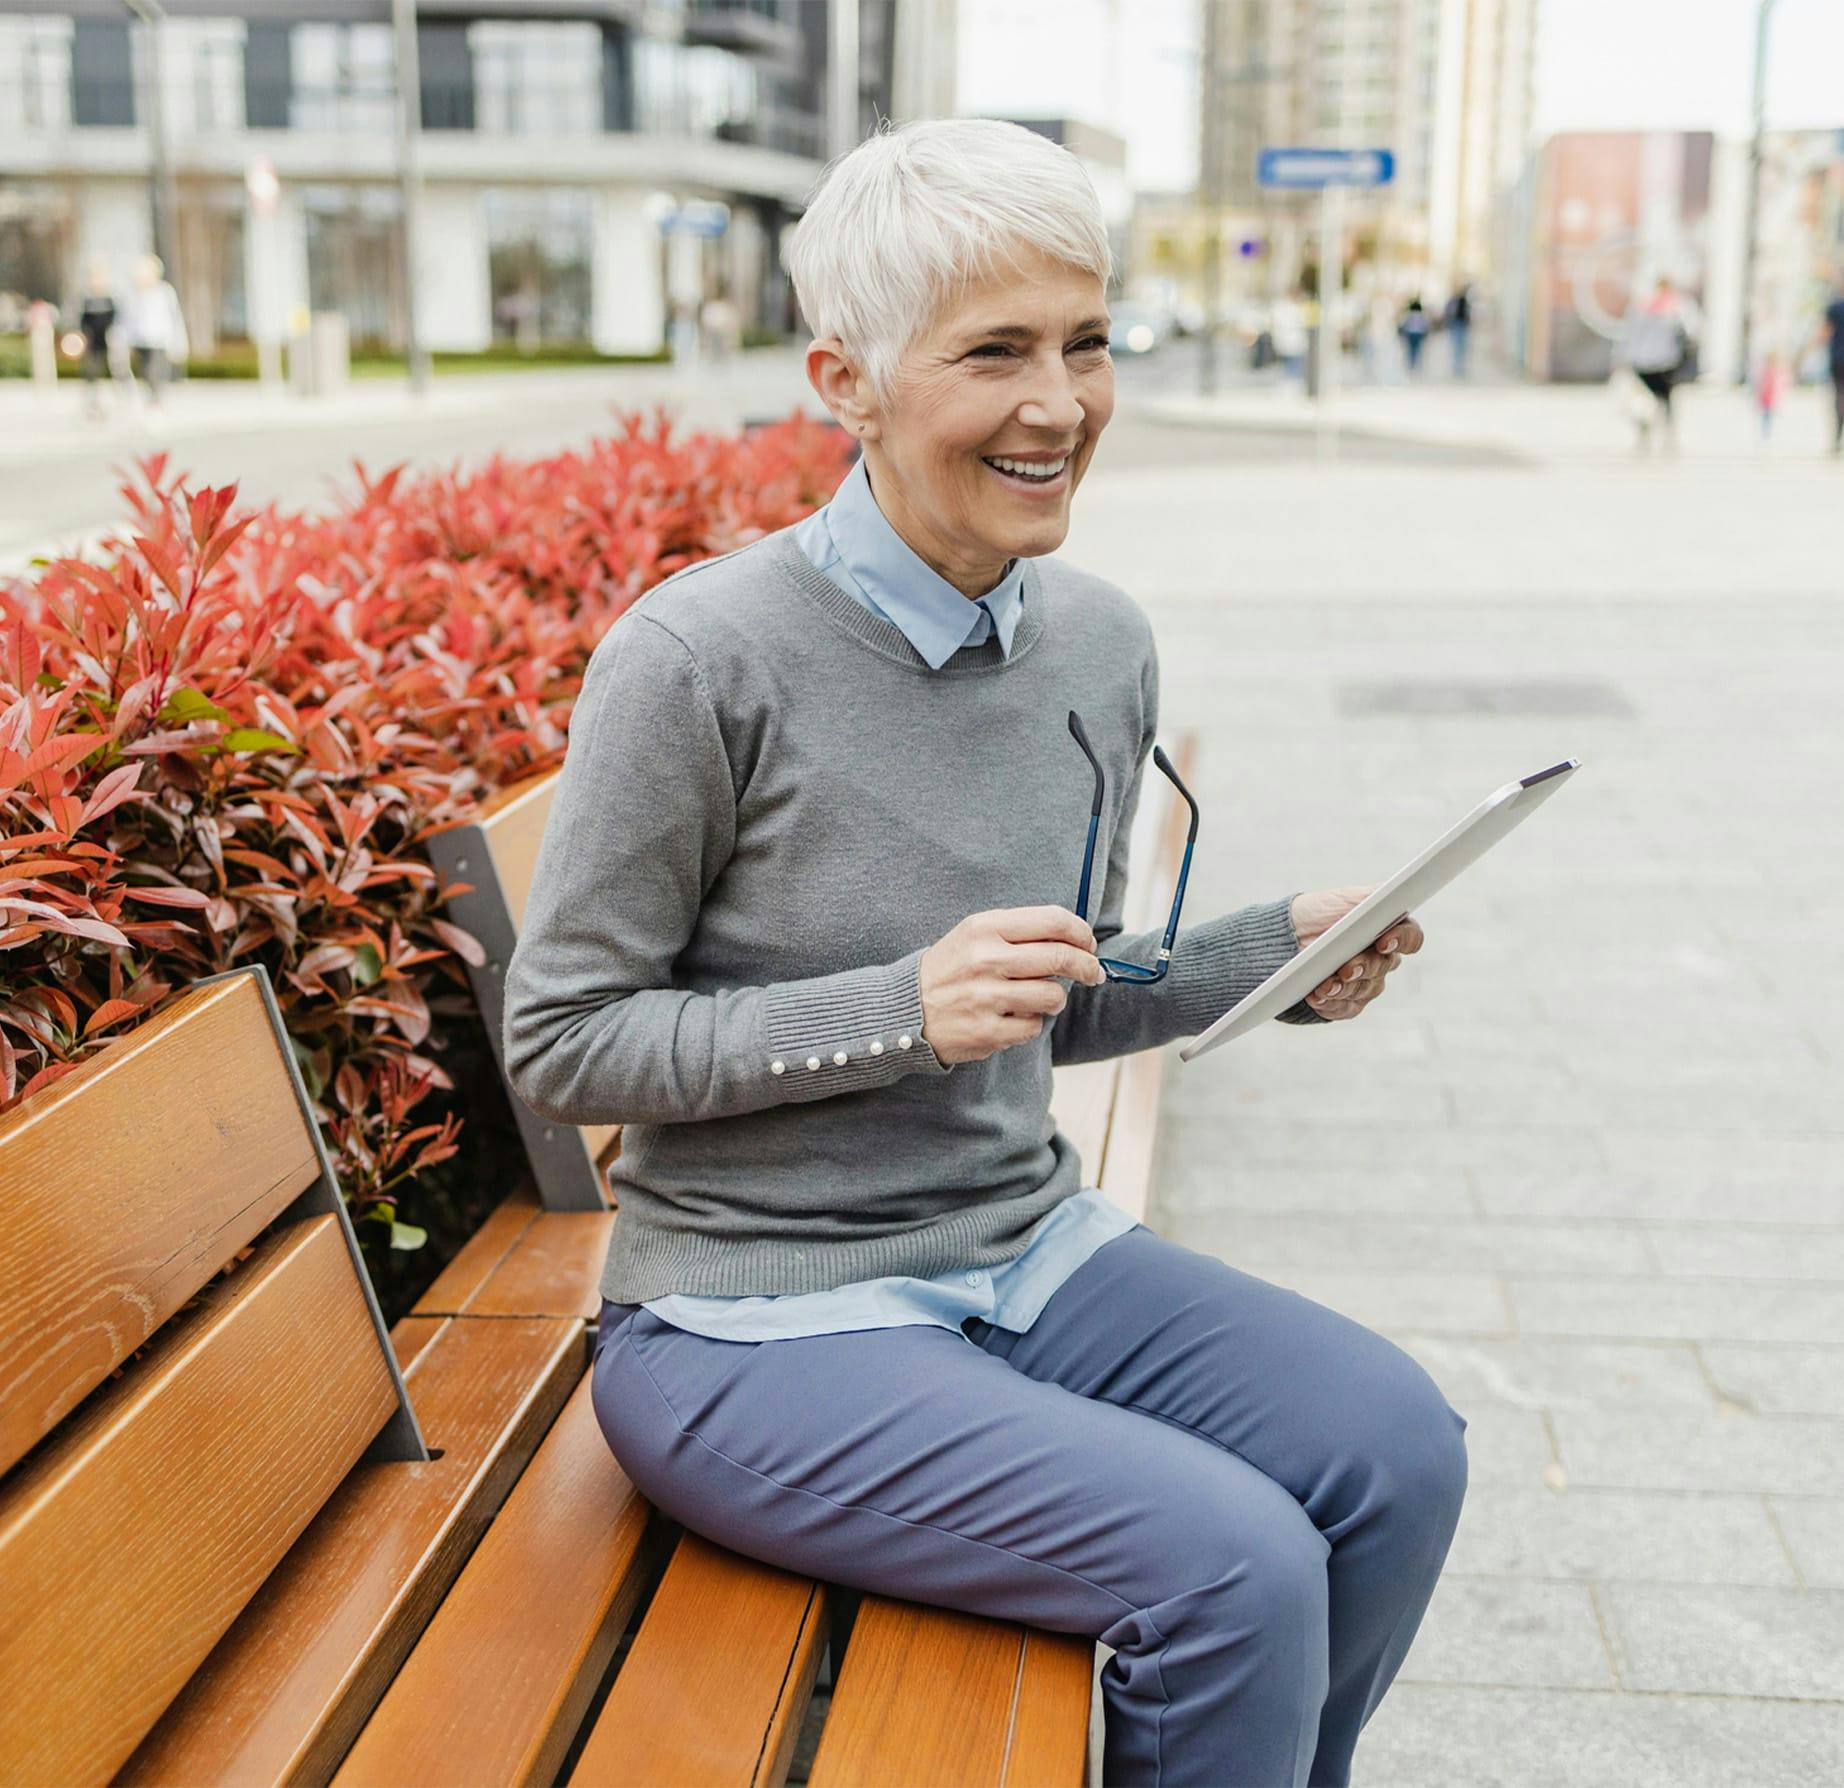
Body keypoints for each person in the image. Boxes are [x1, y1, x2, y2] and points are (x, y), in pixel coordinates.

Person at [503, 118, 1465, 1788]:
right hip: (745, 1326)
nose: (1058, 402)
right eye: (993, 352)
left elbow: (1058, 987)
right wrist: (896, 1008)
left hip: (1016, 1248)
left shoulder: (1093, 639)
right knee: (1227, 1565)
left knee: (1391, 1450)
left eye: (1083, 343)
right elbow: (565, 1040)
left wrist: (1272, 955)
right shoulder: (694, 658)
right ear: (845, 380)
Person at [1615, 276, 1699, 454]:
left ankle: (1653, 433)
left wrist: (1623, 356)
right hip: (1662, 362)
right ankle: (1660, 434)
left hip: (1648, 362)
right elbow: (1692, 331)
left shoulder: (1646, 305)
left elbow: (1629, 334)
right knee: (1660, 400)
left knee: (1652, 400)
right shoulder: (1676, 307)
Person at [121, 254, 187, 410]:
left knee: (156, 371)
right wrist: (126, 340)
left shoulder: (164, 292)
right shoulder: (134, 294)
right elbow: (127, 319)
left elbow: (174, 318)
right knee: (145, 372)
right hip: (139, 340)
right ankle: (151, 398)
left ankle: (156, 401)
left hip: (159, 339)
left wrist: (177, 342)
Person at [74, 260, 117, 420]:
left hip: (108, 343)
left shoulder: (110, 299)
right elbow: (81, 323)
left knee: (116, 373)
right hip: (91, 344)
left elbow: (117, 320)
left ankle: (118, 402)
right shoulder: (86, 300)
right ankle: (92, 405)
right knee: (91, 374)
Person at [1824, 279, 1844, 456]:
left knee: (1839, 397)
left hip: (1838, 359)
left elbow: (1825, 332)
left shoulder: (1834, 307)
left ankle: (1837, 438)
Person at [1443, 281, 1473, 379]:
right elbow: (1448, 312)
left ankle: (1459, 368)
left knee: (1460, 348)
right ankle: (1457, 369)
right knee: (1457, 347)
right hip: (1456, 325)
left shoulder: (1464, 301)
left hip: (1461, 326)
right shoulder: (1455, 301)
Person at [1397, 295, 1431, 374]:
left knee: (1410, 349)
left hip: (1410, 333)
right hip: (1419, 334)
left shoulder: (1408, 315)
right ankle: (1418, 365)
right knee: (1417, 349)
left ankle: (1411, 364)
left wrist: (1402, 332)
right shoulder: (1422, 315)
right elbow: (1426, 325)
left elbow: (1403, 324)